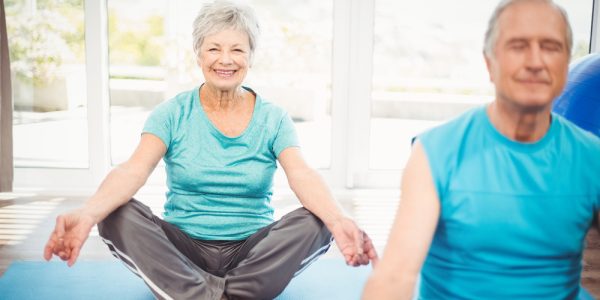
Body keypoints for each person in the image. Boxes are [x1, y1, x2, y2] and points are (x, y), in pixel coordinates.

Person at [43, 1, 378, 299]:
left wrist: (338, 219)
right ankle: (215, 295)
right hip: (182, 252)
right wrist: (88, 213)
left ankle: (199, 294)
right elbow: (133, 169)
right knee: (115, 213)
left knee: (318, 220)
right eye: (214, 48)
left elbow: (301, 173)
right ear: (198, 53)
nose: (226, 60)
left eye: (237, 50)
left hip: (253, 253)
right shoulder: (172, 113)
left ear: (251, 56)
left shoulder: (273, 118)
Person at [362, 0, 600, 299]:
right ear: (490, 63)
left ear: (566, 65)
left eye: (551, 47)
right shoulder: (435, 153)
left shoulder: (592, 156)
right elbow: (395, 276)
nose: (535, 61)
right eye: (518, 46)